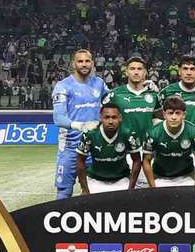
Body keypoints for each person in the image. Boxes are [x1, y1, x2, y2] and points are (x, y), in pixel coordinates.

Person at [51, 49, 108, 199]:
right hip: (71, 148)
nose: (84, 64)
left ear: (92, 64)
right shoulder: (63, 86)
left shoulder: (99, 84)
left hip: (94, 147)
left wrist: (142, 87)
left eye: (87, 61)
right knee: (64, 192)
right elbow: (58, 118)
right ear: (73, 64)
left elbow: (114, 102)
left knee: (98, 192)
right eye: (80, 61)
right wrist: (81, 126)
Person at [103, 56, 161, 187]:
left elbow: (161, 117)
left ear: (145, 72)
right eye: (132, 69)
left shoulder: (153, 94)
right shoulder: (115, 94)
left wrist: (159, 94)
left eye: (139, 69)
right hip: (124, 151)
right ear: (126, 72)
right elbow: (102, 116)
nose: (136, 72)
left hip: (148, 151)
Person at [158, 56, 195, 183]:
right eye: (185, 69)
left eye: (192, 69)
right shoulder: (167, 91)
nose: (188, 72)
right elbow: (158, 115)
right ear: (179, 71)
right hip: (175, 148)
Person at [76, 103, 142, 194]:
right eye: (107, 117)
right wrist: (85, 189)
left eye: (114, 117)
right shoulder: (89, 134)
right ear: (100, 118)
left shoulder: (129, 134)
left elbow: (137, 160)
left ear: (120, 118)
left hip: (121, 180)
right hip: (96, 180)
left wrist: (131, 188)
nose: (110, 121)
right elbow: (80, 161)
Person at [142, 96, 195, 187]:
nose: (174, 117)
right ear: (164, 115)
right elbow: (146, 161)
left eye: (178, 113)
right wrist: (153, 187)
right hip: (159, 176)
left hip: (187, 175)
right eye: (170, 113)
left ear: (184, 115)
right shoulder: (153, 133)